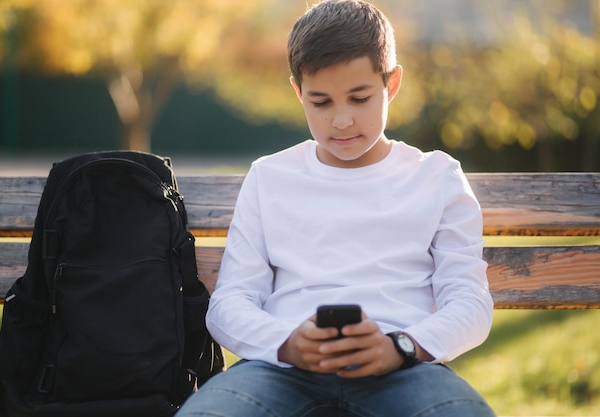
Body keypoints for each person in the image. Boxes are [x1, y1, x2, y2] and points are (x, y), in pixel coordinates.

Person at [177, 0, 496, 416]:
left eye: (359, 98)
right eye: (321, 102)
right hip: (281, 370)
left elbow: (470, 302)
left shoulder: (436, 176)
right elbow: (230, 303)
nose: (341, 120)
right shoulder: (270, 177)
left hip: (404, 367)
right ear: (297, 91)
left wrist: (399, 346)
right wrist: (287, 343)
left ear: (392, 84)